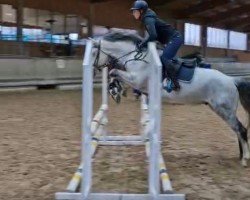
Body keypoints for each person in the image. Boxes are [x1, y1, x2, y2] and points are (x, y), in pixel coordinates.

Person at [130, 0, 183, 91]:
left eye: (135, 11)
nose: (133, 13)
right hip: (170, 40)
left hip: (175, 38)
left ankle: (175, 84)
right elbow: (154, 36)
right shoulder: (146, 18)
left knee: (164, 58)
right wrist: (143, 43)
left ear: (141, 11)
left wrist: (143, 44)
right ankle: (165, 79)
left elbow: (153, 35)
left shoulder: (148, 19)